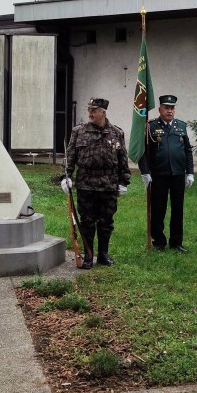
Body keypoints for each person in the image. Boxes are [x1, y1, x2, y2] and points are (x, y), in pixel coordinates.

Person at [63, 97, 131, 269]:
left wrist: (124, 181)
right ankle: (88, 255)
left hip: (108, 183)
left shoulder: (116, 133)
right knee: (87, 221)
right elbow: (70, 157)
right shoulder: (79, 132)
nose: (91, 113)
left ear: (103, 113)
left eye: (94, 110)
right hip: (86, 182)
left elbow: (123, 159)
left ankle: (103, 254)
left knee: (106, 221)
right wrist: (66, 176)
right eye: (89, 110)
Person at [138, 94, 194, 252]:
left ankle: (176, 242)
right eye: (166, 108)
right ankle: (159, 242)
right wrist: (145, 172)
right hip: (159, 174)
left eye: (172, 108)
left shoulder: (181, 126)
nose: (170, 111)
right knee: (158, 209)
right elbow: (143, 151)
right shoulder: (151, 126)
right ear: (160, 109)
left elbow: (188, 151)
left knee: (178, 209)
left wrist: (189, 172)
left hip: (177, 174)